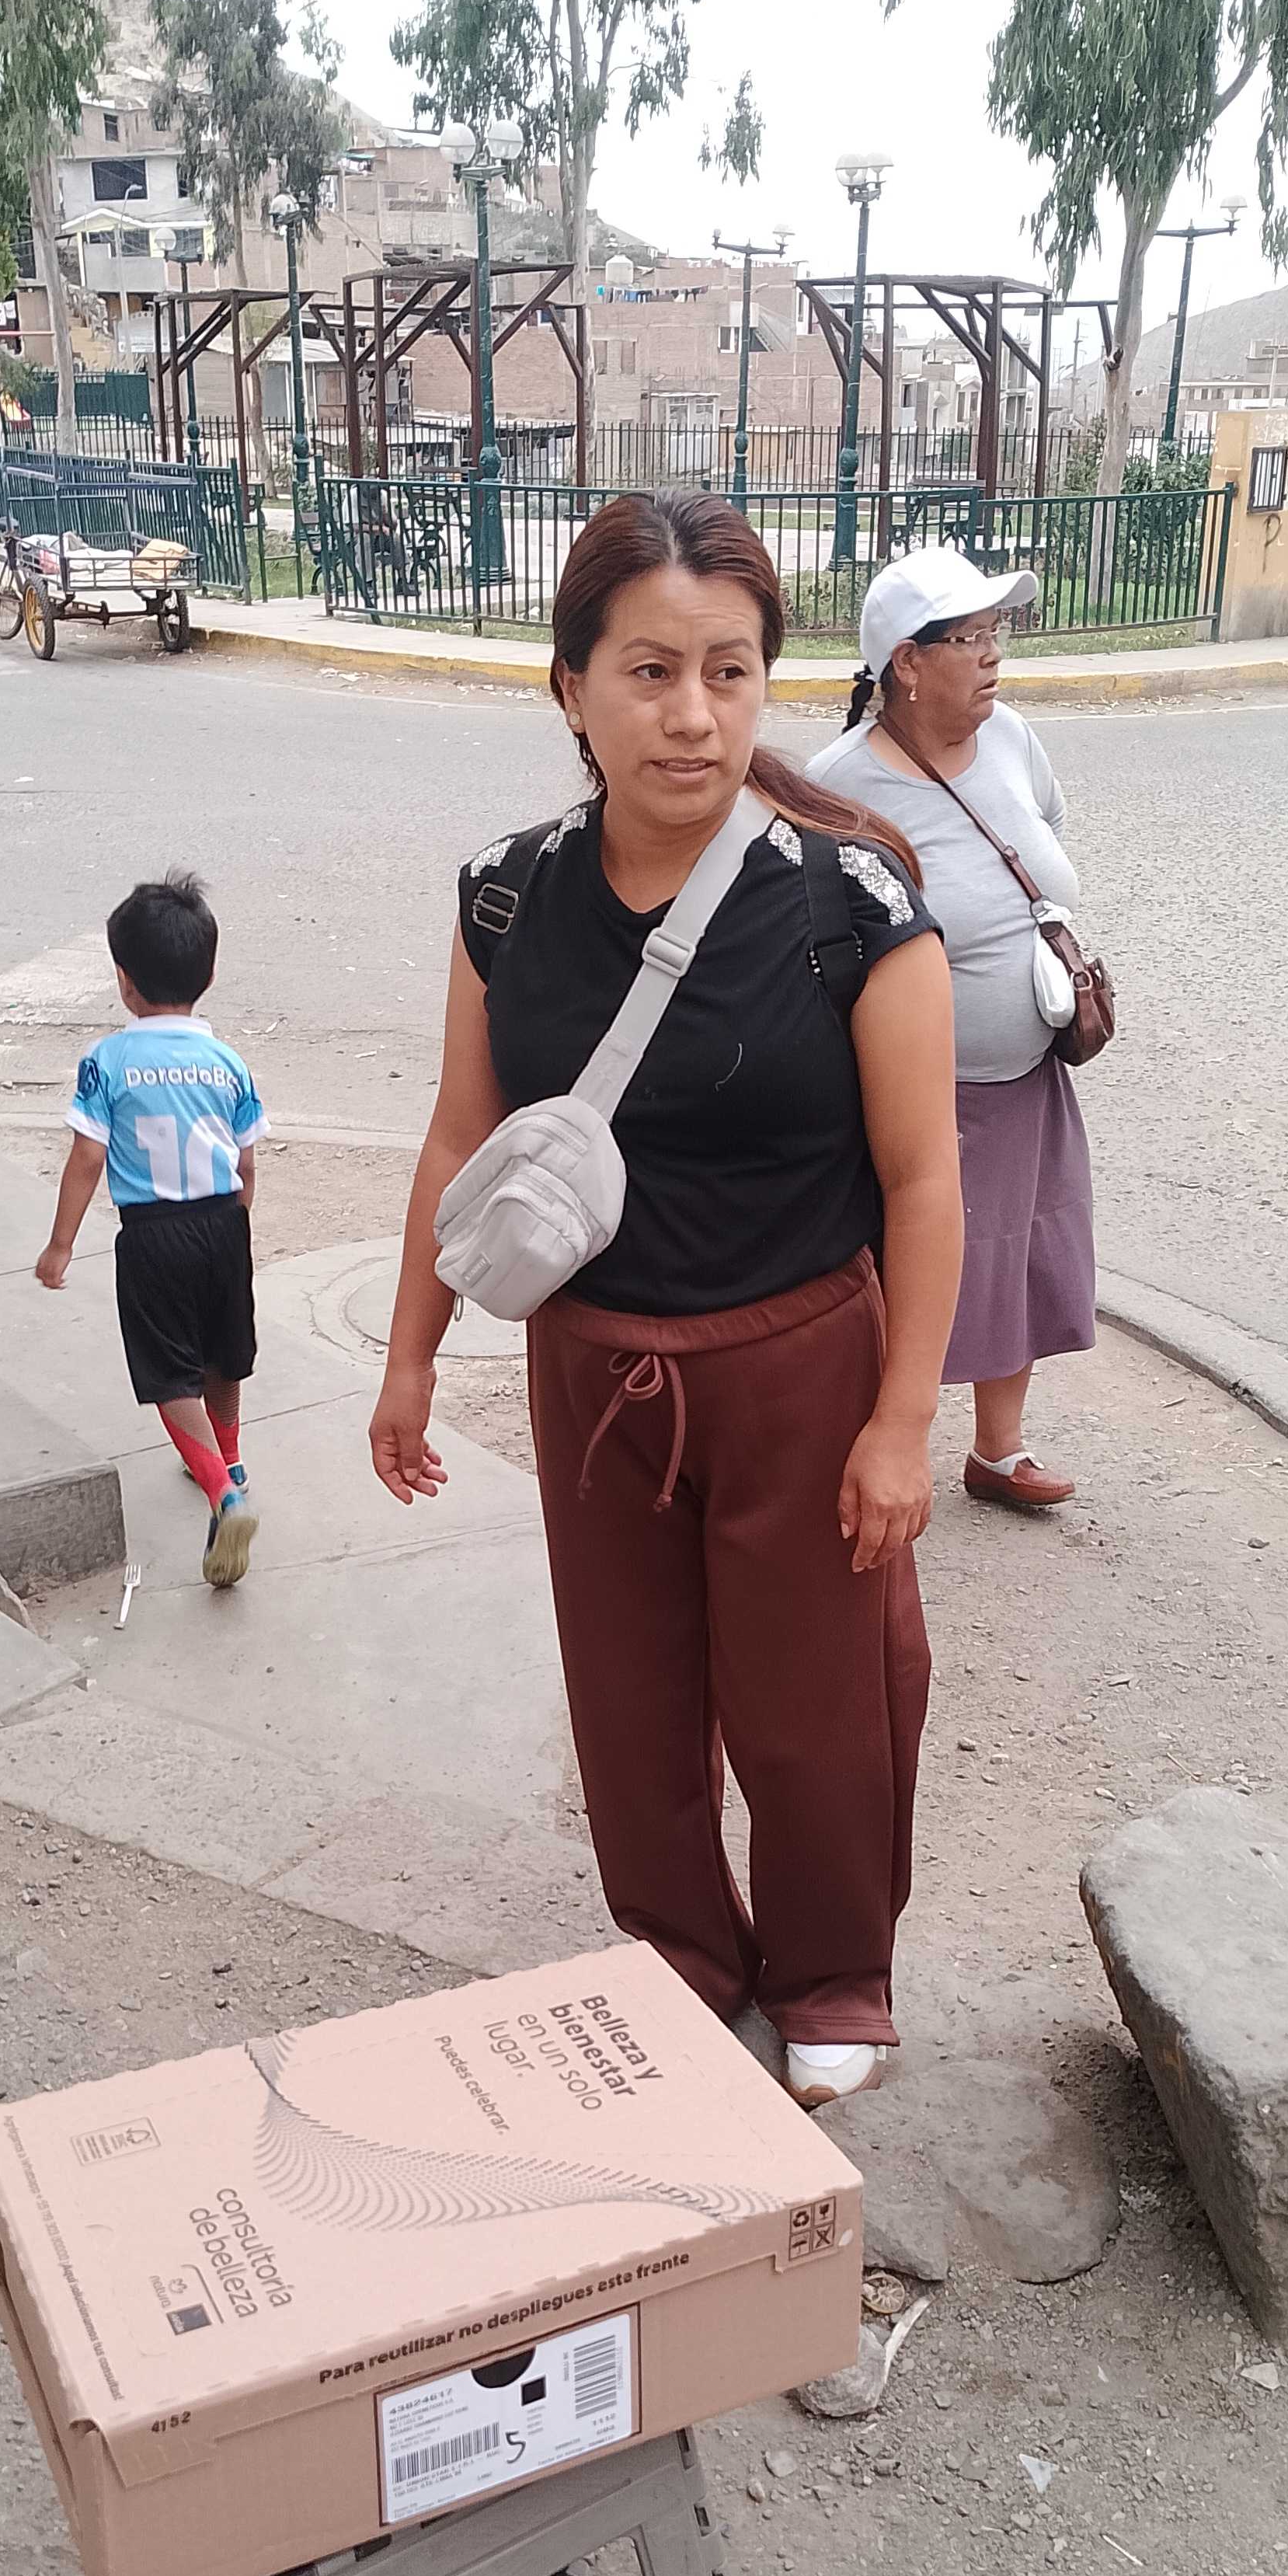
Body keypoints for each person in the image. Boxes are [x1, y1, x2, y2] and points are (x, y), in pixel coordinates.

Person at [370, 493, 963, 2108]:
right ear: (572, 688)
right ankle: (684, 1955)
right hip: (593, 1378)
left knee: (817, 1705)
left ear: (768, 682)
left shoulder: (850, 906)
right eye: (648, 672)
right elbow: (460, 1133)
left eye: (728, 671)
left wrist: (902, 1422)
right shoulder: (506, 899)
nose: (691, 715)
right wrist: (411, 1358)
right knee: (630, 1705)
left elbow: (924, 1182)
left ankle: (833, 1972)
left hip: (800, 1371)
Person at [807, 550, 1097, 1511]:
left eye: (994, 633)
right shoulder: (842, 787)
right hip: (918, 1096)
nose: (992, 656)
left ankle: (998, 1452)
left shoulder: (1011, 737)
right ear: (906, 663)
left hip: (1027, 1075)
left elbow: (1046, 830)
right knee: (907, 1275)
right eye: (969, 638)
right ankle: (872, 1457)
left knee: (1016, 1252)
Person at [35, 875, 263, 1588]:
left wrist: (61, 1244)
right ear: (209, 976)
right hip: (223, 1223)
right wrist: (235, 1226)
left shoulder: (107, 1062)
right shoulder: (228, 1062)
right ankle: (230, 1462)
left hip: (153, 1235)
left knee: (169, 1374)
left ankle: (223, 1494)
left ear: (124, 981)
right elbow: (246, 1162)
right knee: (223, 1356)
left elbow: (87, 1158)